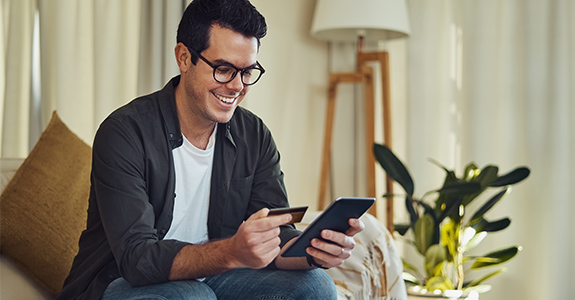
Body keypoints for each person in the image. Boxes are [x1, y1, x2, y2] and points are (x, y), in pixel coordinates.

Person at [56, 0, 364, 299]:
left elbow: (275, 239)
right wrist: (232, 252)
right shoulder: (125, 133)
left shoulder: (254, 135)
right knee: (193, 295)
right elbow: (138, 260)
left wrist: (314, 253)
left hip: (214, 278)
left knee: (316, 285)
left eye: (247, 72)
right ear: (184, 57)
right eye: (224, 69)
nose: (237, 86)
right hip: (119, 282)